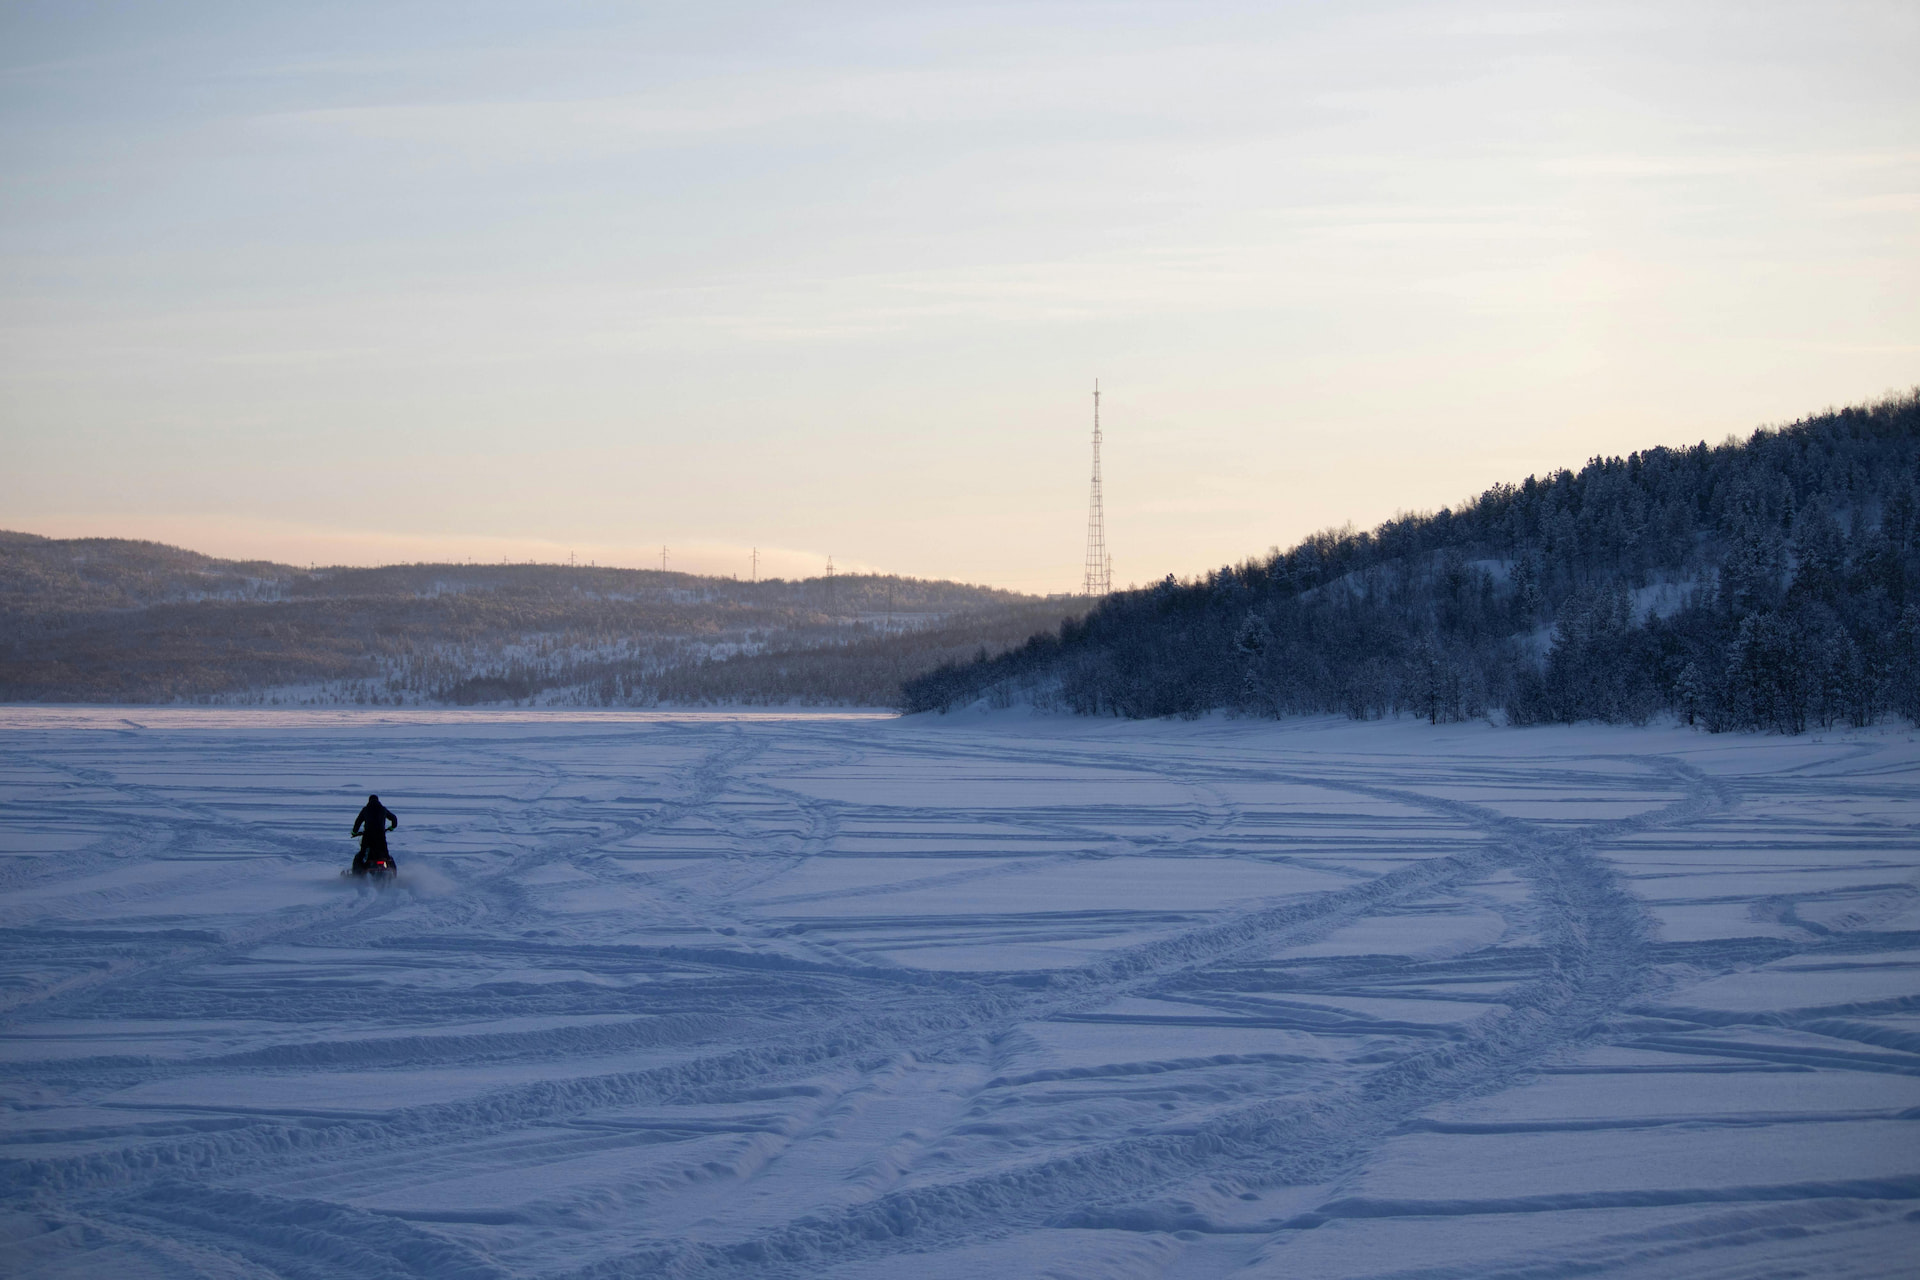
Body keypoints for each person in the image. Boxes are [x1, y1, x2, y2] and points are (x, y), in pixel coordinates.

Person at [351, 794, 399, 874]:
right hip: (381, 835)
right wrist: (392, 827)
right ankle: (392, 871)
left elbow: (358, 821)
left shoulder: (366, 810)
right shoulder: (383, 809)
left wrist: (354, 832)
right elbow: (393, 818)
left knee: (362, 854)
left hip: (368, 835)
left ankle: (357, 874)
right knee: (386, 854)